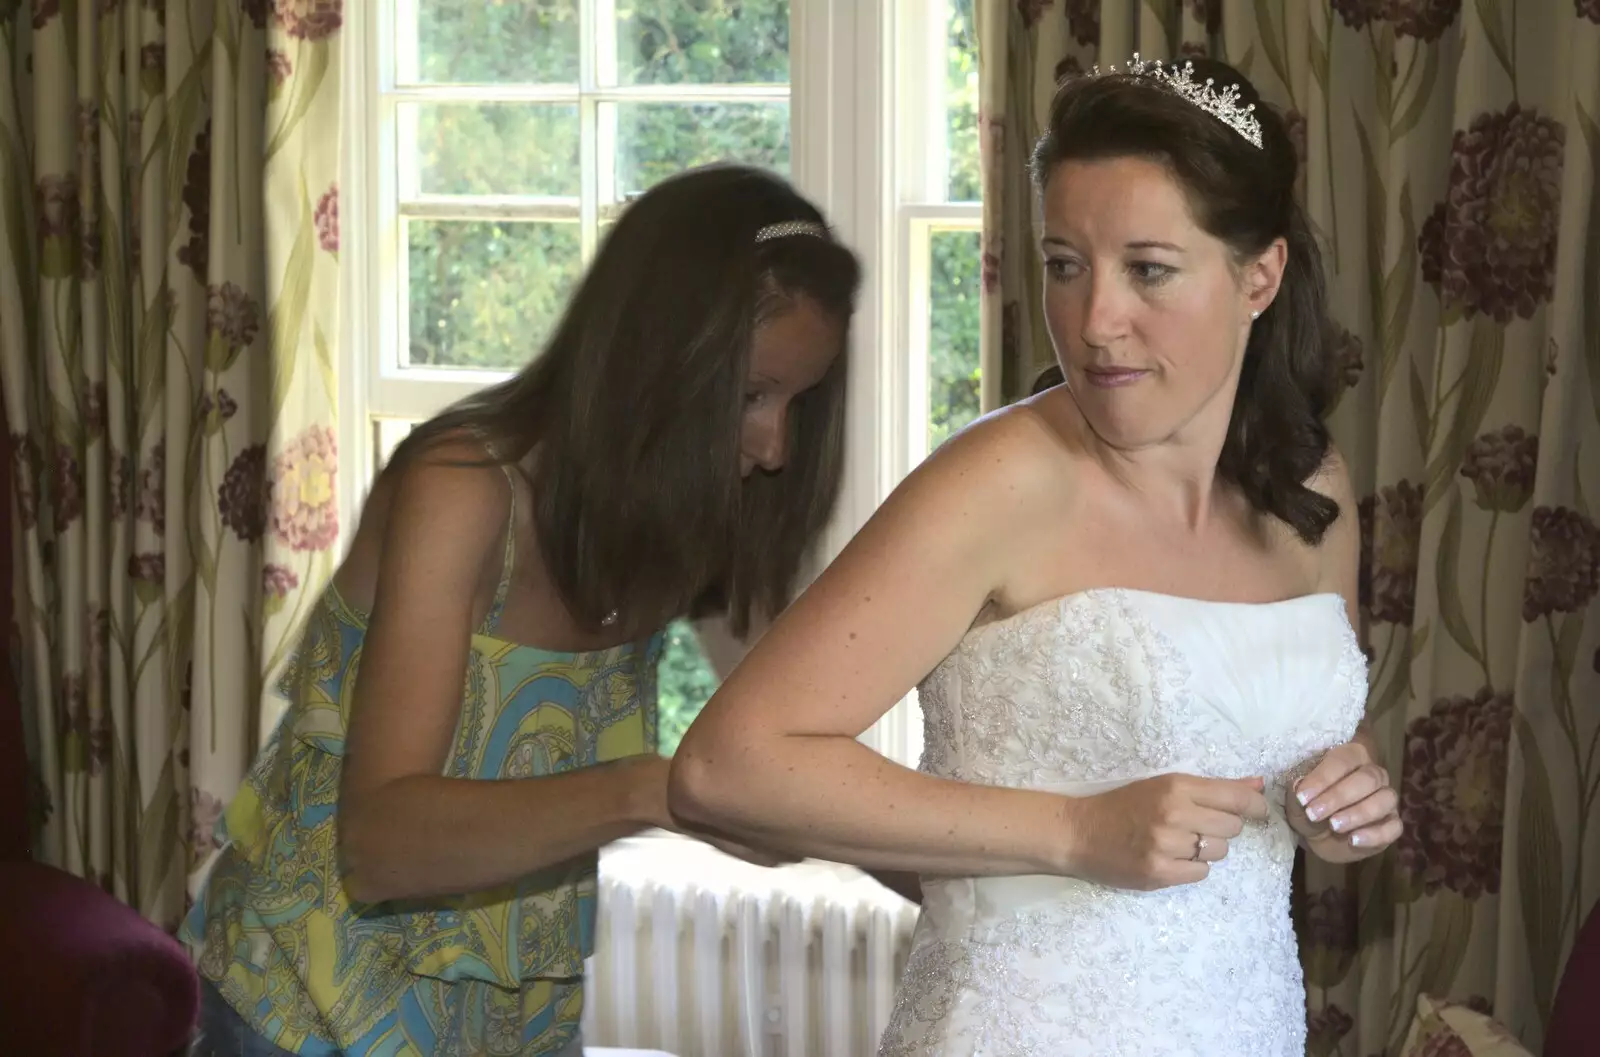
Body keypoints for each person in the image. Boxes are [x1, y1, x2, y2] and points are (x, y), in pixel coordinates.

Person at [669, 58, 1402, 1056]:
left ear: (1258, 276)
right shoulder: (1000, 482)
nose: (1095, 322)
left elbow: (1300, 755)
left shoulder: (1311, 488)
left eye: (1147, 269)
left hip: (1244, 1024)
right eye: (1064, 264)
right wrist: (1072, 831)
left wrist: (1331, 804)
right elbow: (726, 767)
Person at [180, 165, 874, 1057]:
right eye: (749, 395)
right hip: (300, 1011)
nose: (776, 446)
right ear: (652, 361)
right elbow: (382, 843)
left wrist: (991, 874)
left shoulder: (695, 518)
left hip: (511, 1021)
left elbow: (807, 750)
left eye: (799, 402)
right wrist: (657, 789)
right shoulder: (463, 490)